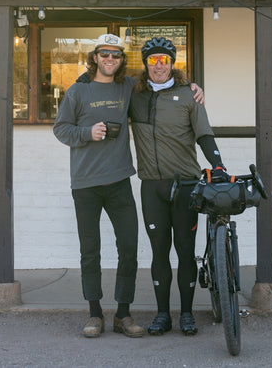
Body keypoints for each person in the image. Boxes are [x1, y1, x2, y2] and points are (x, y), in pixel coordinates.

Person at [53, 33, 203, 339]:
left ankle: (123, 313)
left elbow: (160, 78)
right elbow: (61, 129)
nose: (110, 59)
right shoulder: (77, 91)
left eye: (116, 55)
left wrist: (191, 86)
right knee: (90, 250)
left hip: (120, 180)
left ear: (122, 61)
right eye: (105, 54)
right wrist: (86, 133)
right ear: (94, 56)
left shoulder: (128, 87)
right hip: (85, 183)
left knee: (129, 248)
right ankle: (95, 314)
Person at [128, 36, 228, 337]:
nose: (159, 65)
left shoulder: (188, 95)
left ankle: (186, 314)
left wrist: (218, 165)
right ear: (145, 64)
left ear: (173, 63)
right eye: (153, 60)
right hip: (152, 186)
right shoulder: (134, 95)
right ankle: (162, 315)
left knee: (185, 250)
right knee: (159, 252)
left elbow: (204, 135)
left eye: (164, 60)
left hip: (185, 185)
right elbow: (103, 84)